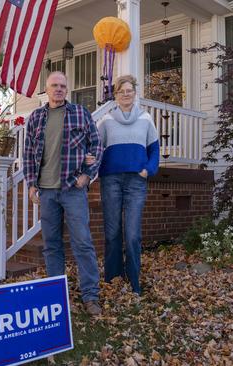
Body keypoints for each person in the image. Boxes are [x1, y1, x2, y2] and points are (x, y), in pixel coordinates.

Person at [23, 71, 104, 315]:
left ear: (67, 90)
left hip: (72, 189)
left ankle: (90, 296)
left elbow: (96, 145)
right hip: (46, 191)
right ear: (46, 90)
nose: (58, 89)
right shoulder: (36, 117)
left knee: (83, 243)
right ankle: (55, 296)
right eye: (54, 85)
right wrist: (30, 183)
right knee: (51, 245)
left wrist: (87, 174)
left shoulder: (80, 113)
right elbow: (28, 153)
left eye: (62, 86)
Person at [89, 74, 159, 295]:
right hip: (111, 180)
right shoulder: (106, 121)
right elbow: (95, 147)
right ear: (116, 95)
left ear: (135, 93)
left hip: (136, 181)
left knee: (133, 234)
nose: (126, 94)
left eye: (129, 91)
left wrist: (149, 169)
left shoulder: (146, 119)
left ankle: (134, 281)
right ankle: (112, 278)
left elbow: (154, 149)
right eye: (121, 91)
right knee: (112, 232)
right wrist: (88, 164)